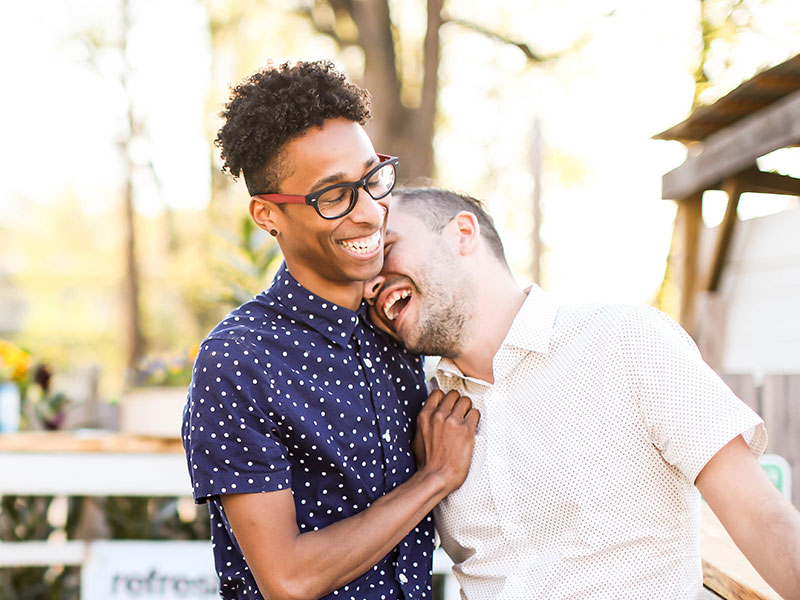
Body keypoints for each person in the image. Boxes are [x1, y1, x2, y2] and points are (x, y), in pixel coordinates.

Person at [365, 187, 800, 600]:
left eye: (387, 247)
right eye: (362, 276)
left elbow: (762, 518)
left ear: (463, 233)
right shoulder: (419, 415)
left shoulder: (627, 340)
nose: (370, 284)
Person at [181, 62, 479, 600]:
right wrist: (434, 478)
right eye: (334, 196)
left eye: (372, 178)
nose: (369, 213)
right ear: (268, 215)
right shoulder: (237, 360)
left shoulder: (395, 324)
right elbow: (288, 579)